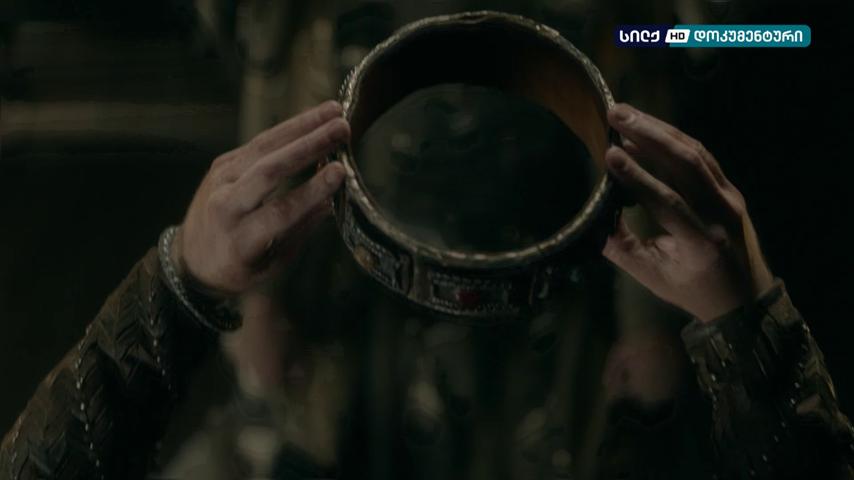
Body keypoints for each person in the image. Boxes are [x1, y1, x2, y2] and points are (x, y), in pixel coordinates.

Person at [0, 100, 851, 480]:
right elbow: (695, 45)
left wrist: (191, 285)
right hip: (476, 278)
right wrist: (735, 330)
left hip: (498, 276)